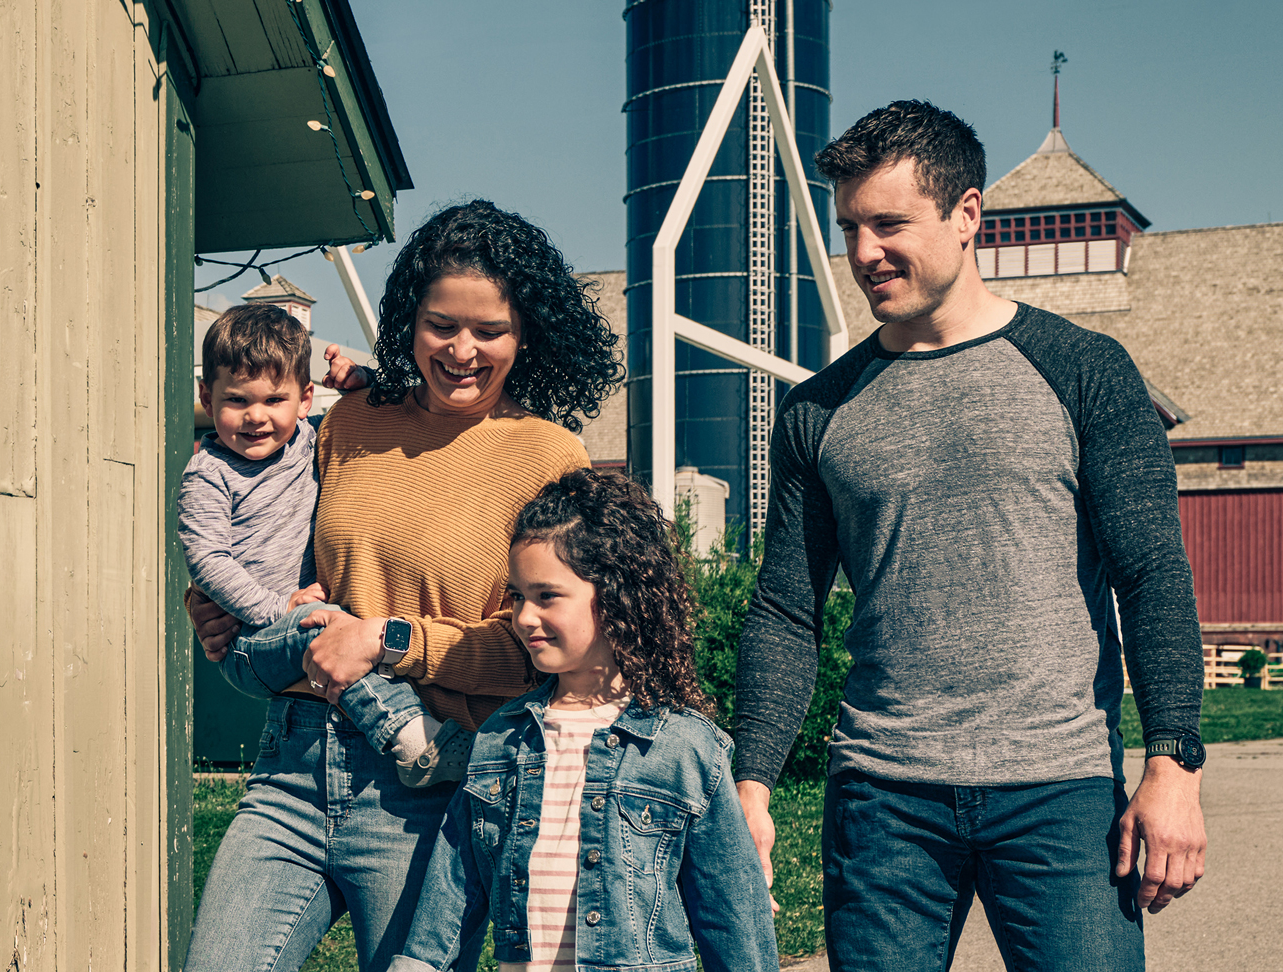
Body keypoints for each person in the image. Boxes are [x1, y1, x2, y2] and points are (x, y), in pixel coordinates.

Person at [732, 101, 1207, 972]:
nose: (864, 252)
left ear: (966, 215)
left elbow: (1151, 575)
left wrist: (1172, 762)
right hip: (882, 800)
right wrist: (752, 783)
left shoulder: (1085, 371)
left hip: (1059, 788)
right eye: (850, 227)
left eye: (889, 223)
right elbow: (783, 611)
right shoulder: (817, 411)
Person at [183, 200, 624, 972]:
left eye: (490, 330)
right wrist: (218, 602)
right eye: (441, 325)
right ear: (408, 323)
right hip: (292, 763)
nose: (462, 350)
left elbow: (541, 651)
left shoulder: (550, 458)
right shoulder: (350, 422)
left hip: (424, 784)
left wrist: (386, 639)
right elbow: (277, 536)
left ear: (527, 335)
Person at [388, 469, 780, 972]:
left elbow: (733, 919)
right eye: (516, 597)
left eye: (546, 596)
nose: (524, 617)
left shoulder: (684, 748)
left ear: (617, 595)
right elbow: (453, 889)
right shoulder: (500, 739)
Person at [179, 303, 447, 771]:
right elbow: (207, 560)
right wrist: (277, 607)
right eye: (237, 400)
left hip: (302, 618)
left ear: (305, 399)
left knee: (338, 630)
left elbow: (387, 410)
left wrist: (365, 380)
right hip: (249, 641)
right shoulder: (209, 474)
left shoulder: (310, 440)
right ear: (207, 395)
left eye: (273, 401)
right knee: (326, 629)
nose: (255, 417)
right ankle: (411, 735)